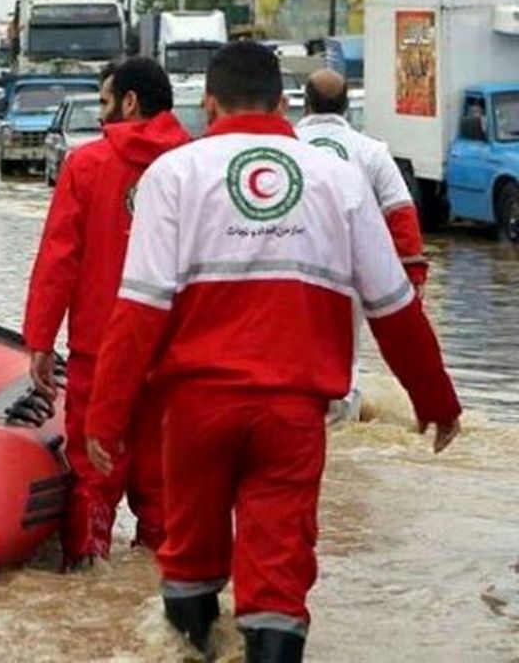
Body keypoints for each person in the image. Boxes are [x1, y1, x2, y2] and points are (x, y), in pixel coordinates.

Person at [85, 42, 462, 661]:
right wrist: (435, 399)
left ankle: (194, 647)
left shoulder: (174, 174)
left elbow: (140, 309)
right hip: (293, 415)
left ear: (208, 103)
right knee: (278, 581)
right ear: (282, 104)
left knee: (189, 559)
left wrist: (107, 415)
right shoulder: (340, 177)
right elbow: (393, 305)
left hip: (195, 411)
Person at [22, 57, 190, 569]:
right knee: (166, 491)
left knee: (92, 481)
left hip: (100, 351)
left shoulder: (87, 165)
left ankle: (86, 581)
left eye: (104, 102)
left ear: (130, 102)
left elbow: (59, 259)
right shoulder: (196, 165)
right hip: (176, 356)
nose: (101, 114)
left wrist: (40, 341)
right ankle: (158, 594)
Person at [295, 69, 428, 423]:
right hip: (349, 273)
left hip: (286, 268)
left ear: (305, 103)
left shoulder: (285, 146)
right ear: (346, 106)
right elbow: (401, 214)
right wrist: (412, 276)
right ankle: (344, 429)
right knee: (344, 357)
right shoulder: (372, 151)